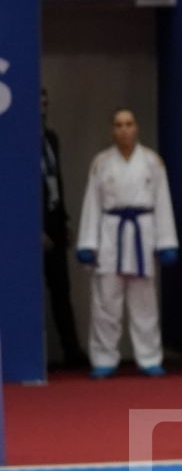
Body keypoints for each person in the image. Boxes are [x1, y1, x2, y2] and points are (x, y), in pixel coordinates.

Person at [75, 108, 178, 377]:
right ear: (112, 129)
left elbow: (162, 203)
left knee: (145, 303)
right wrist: (88, 242)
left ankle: (149, 357)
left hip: (142, 234)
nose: (124, 129)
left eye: (129, 124)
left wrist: (166, 242)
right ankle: (104, 358)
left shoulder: (153, 162)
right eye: (119, 124)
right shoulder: (102, 163)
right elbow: (92, 205)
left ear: (137, 128)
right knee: (105, 302)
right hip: (111, 235)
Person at [40, 89, 83, 370]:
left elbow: (57, 181)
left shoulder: (50, 138)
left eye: (45, 102)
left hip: (55, 220)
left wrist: (65, 219)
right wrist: (32, 228)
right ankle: (34, 353)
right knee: (32, 294)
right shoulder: (15, 138)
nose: (43, 107)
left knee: (61, 290)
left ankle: (72, 352)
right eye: (38, 102)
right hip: (32, 225)